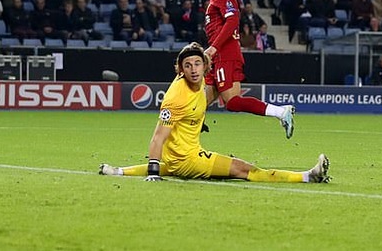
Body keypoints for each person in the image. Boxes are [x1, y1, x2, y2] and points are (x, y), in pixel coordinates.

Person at [98, 43, 330, 183]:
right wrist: (153, 171)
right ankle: (309, 176)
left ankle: (116, 171)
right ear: (180, 69)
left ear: (205, 65)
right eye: (187, 66)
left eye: (197, 64)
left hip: (176, 157)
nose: (193, 69)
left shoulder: (201, 79)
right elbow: (158, 136)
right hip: (187, 160)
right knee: (245, 170)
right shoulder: (175, 96)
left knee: (170, 166)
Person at [202, 0, 295, 138]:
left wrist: (213, 48)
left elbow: (232, 21)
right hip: (218, 57)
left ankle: (280, 112)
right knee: (200, 102)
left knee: (232, 102)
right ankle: (188, 137)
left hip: (224, 55)